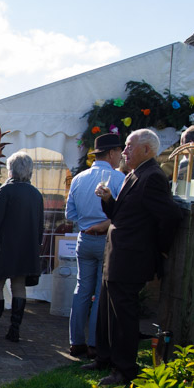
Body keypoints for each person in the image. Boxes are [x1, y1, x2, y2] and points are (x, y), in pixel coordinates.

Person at [85, 128, 183, 386]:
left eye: (129, 146)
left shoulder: (152, 177)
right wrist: (108, 199)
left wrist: (159, 248)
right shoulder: (134, 175)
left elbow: (170, 216)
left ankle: (125, 368)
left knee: (122, 317)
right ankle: (104, 357)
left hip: (131, 257)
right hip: (118, 254)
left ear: (147, 150)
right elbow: (121, 215)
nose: (124, 151)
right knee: (107, 310)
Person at [64, 133, 125, 358]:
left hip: (84, 238)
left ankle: (76, 341)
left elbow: (69, 214)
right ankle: (94, 343)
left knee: (81, 289)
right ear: (111, 153)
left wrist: (87, 222)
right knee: (100, 292)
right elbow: (123, 214)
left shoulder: (79, 178)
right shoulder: (119, 179)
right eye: (119, 151)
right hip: (107, 240)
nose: (120, 155)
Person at [0, 152, 44, 343]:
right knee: (19, 286)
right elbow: (40, 226)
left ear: (10, 170)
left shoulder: (5, 191)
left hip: (2, 249)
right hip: (25, 250)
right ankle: (14, 330)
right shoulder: (36, 194)